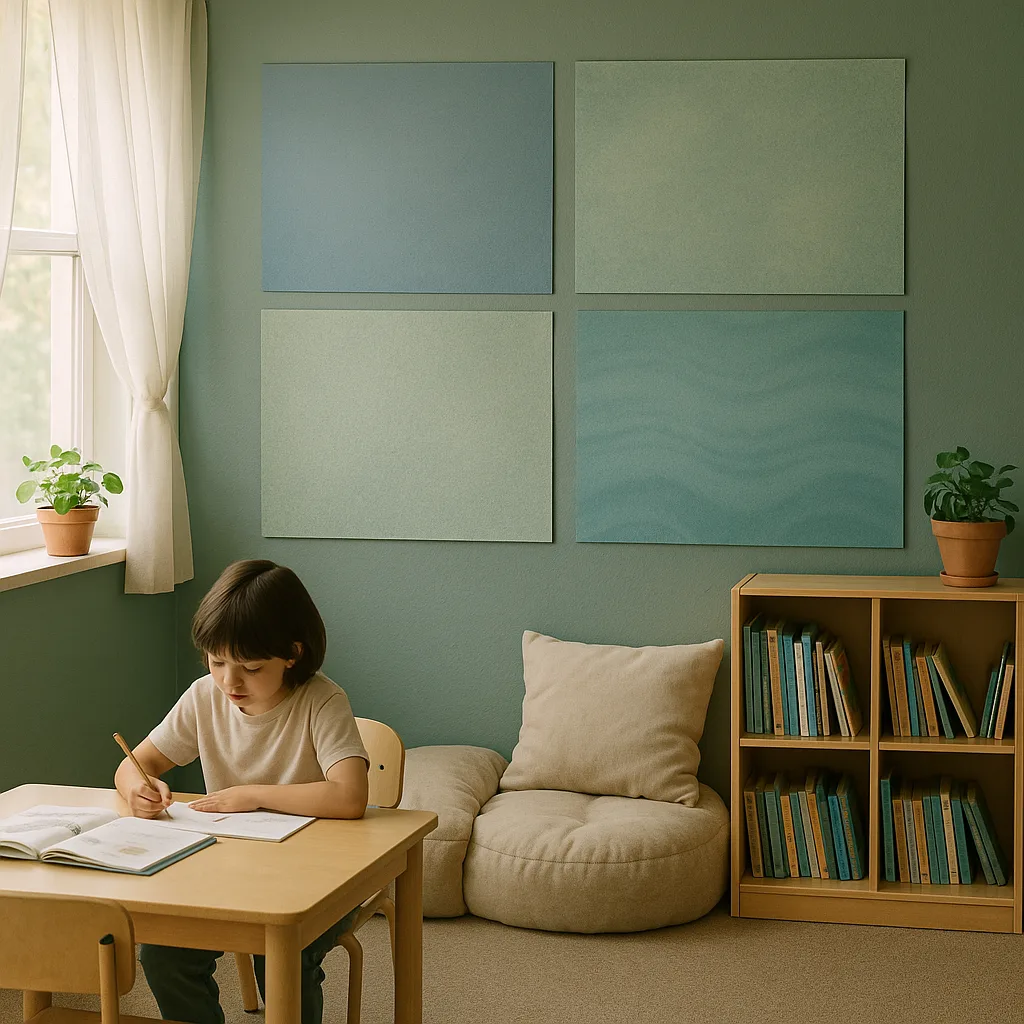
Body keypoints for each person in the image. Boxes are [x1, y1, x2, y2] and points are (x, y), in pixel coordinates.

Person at [114, 559, 370, 1024]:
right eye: (216, 662)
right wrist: (139, 788)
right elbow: (136, 765)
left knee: (281, 955)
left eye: (250, 667)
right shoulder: (204, 696)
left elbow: (350, 796)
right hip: (229, 872)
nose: (230, 682)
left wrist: (253, 794)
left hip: (318, 875)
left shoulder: (322, 701)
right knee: (163, 956)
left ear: (292, 653)